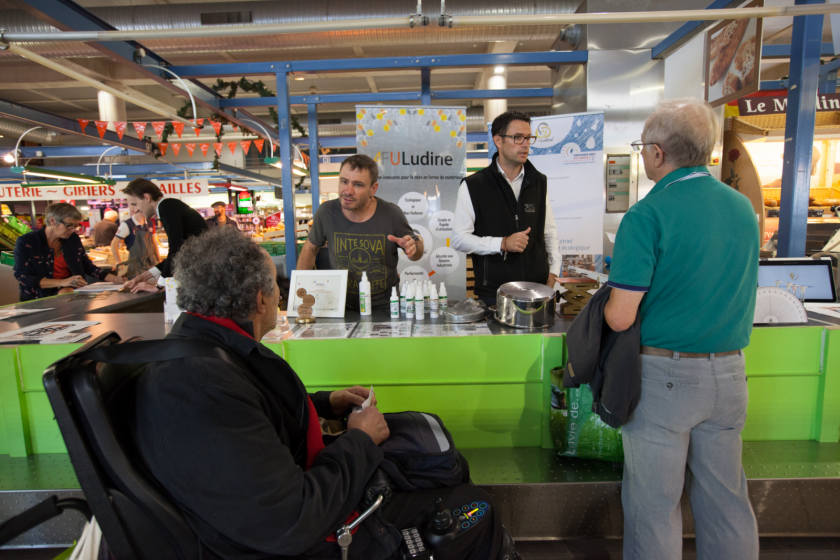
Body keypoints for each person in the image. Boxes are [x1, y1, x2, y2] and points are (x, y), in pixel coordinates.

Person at [130, 226, 516, 560]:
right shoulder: (201, 388)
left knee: (445, 466)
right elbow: (291, 520)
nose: (281, 299)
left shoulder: (204, 351)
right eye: (276, 289)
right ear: (259, 300)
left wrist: (321, 404)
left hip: (291, 507)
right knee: (476, 508)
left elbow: (253, 421)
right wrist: (360, 441)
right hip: (307, 539)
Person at [604, 98, 759, 560]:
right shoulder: (742, 208)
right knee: (727, 501)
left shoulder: (647, 216)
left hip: (666, 379)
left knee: (655, 507)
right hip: (730, 374)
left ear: (655, 153)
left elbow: (620, 316)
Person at [451, 111, 560, 307]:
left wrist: (553, 274)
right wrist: (501, 243)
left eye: (528, 138)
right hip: (495, 294)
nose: (525, 143)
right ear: (498, 141)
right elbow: (459, 239)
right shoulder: (474, 185)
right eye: (517, 137)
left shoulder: (538, 181)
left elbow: (549, 232)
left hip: (538, 290)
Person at [298, 154, 423, 311]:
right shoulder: (326, 212)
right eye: (344, 181)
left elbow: (417, 250)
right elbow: (311, 248)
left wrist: (414, 247)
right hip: (340, 307)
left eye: (358, 185)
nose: (348, 191)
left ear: (373, 189)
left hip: (385, 309)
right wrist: (300, 293)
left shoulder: (392, 214)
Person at [13, 203, 125, 302]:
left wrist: (115, 279)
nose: (73, 230)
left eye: (75, 226)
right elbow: (24, 277)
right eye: (69, 225)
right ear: (52, 221)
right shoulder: (27, 242)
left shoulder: (72, 239)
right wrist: (62, 282)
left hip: (70, 297)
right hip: (37, 301)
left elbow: (88, 267)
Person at [122, 178, 208, 293]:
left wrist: (158, 286)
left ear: (147, 197)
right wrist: (145, 276)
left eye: (135, 204)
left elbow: (176, 249)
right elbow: (179, 252)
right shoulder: (168, 206)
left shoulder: (167, 207)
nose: (135, 210)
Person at [110, 210, 159, 275]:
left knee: (152, 283)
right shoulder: (127, 224)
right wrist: (118, 260)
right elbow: (114, 243)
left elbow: (154, 243)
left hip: (150, 262)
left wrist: (159, 260)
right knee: (136, 283)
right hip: (136, 264)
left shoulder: (150, 223)